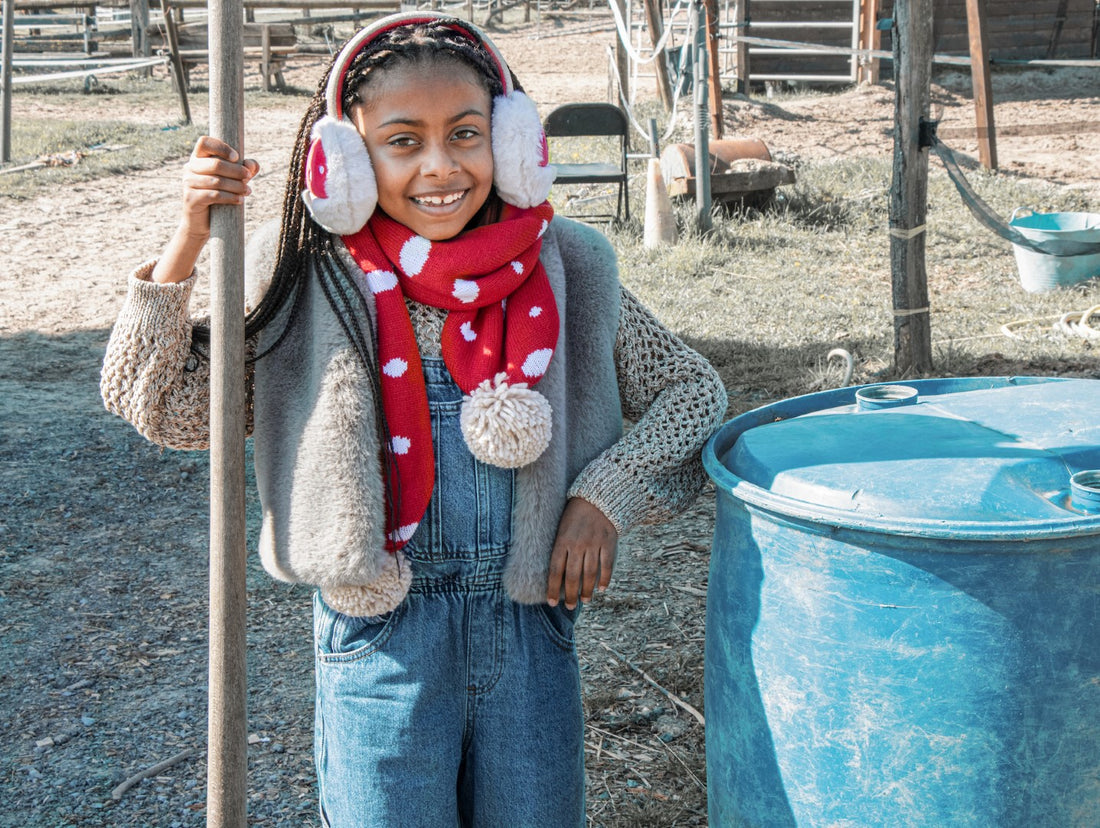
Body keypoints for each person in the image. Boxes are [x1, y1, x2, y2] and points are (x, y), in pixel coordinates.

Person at [100, 11, 727, 827]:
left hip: (527, 635)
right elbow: (162, 403)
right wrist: (188, 240)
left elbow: (693, 394)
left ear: (508, 140)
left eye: (466, 134)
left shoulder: (571, 265)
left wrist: (604, 498)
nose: (440, 166)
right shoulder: (305, 279)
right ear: (347, 159)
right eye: (403, 141)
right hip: (379, 644)